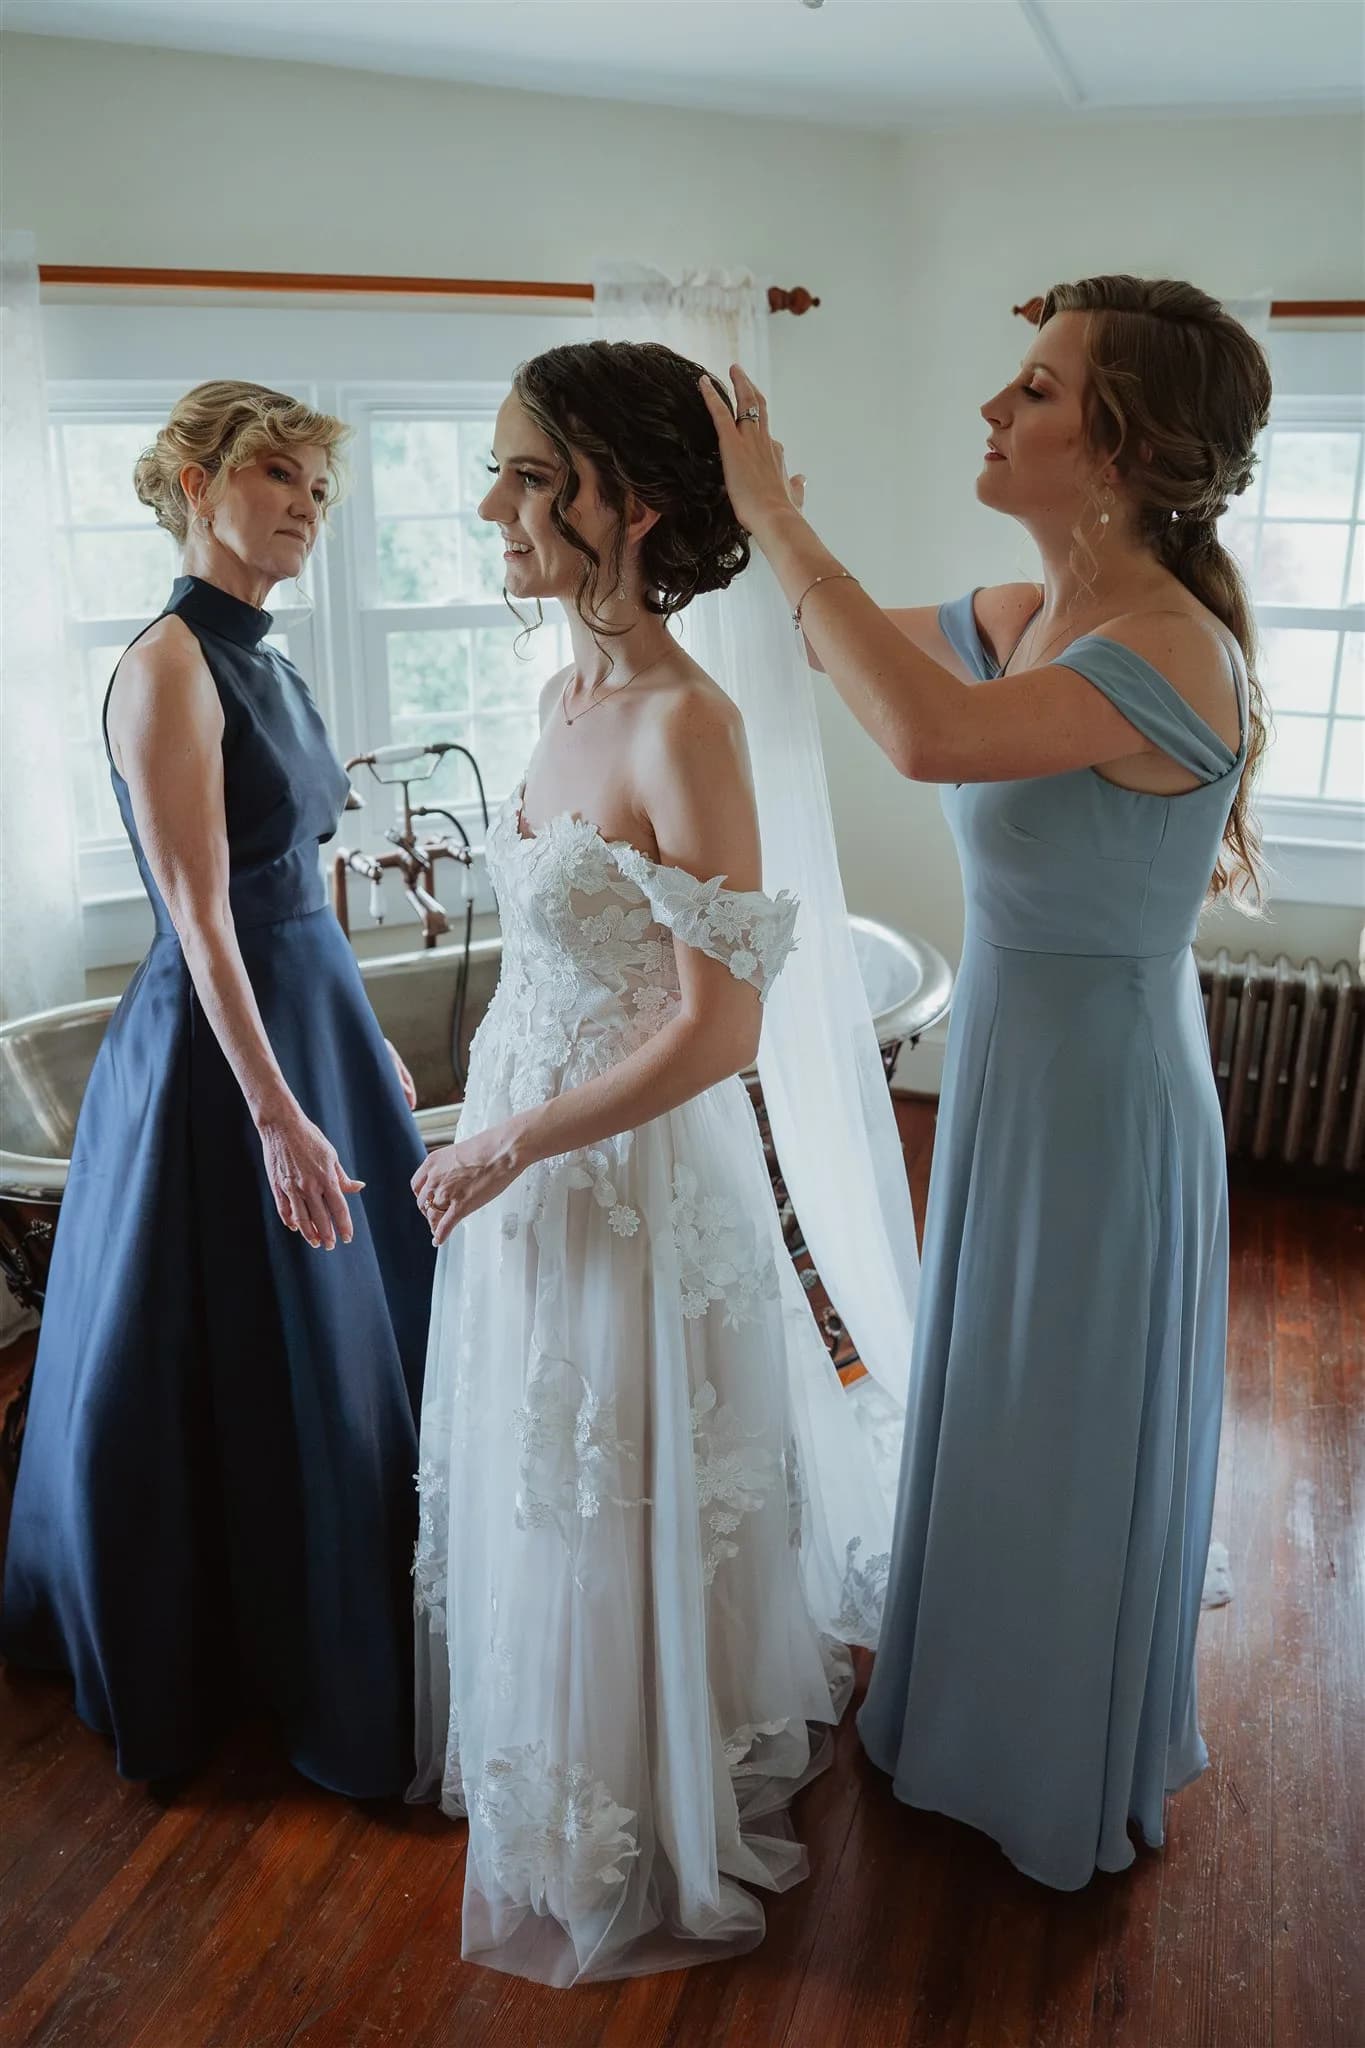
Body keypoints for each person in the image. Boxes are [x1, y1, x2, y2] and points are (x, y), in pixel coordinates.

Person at [701, 275, 1270, 1889]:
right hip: (1018, 1083)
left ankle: (1046, 1760)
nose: (991, 409)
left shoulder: (1172, 650)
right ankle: (968, 1707)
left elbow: (926, 737)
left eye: (1033, 387)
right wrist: (732, 525)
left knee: (1062, 1416)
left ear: (1124, 446)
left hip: (1100, 1102)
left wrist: (778, 517)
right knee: (1003, 1399)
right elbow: (834, 652)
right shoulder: (1028, 617)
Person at [408, 340, 895, 1984]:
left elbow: (719, 1032)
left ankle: (637, 1801)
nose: (492, 507)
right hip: (525, 1169)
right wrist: (485, 1131)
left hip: (621, 1176)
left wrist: (510, 1140)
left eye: (528, 476)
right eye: (499, 470)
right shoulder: (560, 701)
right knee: (544, 1483)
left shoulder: (689, 724)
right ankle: (555, 1783)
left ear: (629, 504)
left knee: (615, 1490)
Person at [2, 381, 435, 1798]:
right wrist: (275, 1111)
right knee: (238, 1347)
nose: (306, 507)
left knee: (355, 1341)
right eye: (277, 476)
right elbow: (201, 917)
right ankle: (234, 1652)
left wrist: (356, 1038)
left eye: (319, 487)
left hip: (308, 1016)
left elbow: (298, 873)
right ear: (197, 482)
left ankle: (349, 1608)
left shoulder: (275, 663)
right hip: (219, 1052)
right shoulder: (169, 665)